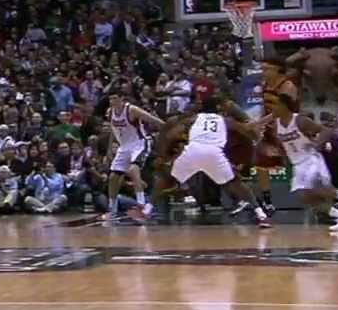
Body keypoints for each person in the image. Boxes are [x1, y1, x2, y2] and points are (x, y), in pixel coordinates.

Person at [153, 96, 272, 228]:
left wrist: (164, 155)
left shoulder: (194, 118)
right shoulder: (225, 120)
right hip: (214, 154)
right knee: (236, 183)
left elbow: (171, 134)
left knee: (166, 178)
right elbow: (245, 129)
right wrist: (257, 137)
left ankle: (146, 209)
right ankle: (261, 215)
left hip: (193, 151)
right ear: (218, 108)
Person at [261, 93, 338, 232]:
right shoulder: (276, 126)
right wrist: (285, 161)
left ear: (284, 105)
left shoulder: (300, 120)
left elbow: (325, 131)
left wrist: (317, 144)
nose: (271, 108)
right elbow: (282, 146)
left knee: (308, 191)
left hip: (310, 159)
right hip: (297, 163)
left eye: (274, 104)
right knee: (306, 198)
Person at [104, 93, 164, 221]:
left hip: (140, 143)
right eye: (110, 98)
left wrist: (169, 128)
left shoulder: (131, 110)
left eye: (114, 98)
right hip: (124, 146)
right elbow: (113, 131)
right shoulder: (110, 112)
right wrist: (109, 149)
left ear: (121, 98)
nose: (112, 101)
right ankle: (112, 209)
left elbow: (152, 120)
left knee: (133, 169)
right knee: (113, 177)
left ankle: (141, 205)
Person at [255, 57, 300, 214]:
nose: (263, 72)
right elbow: (266, 107)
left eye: (267, 69)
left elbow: (281, 111)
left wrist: (258, 123)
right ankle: (267, 201)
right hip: (270, 128)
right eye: (262, 69)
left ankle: (327, 196)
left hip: (289, 128)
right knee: (261, 164)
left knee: (298, 164)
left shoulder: (288, 86)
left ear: (278, 69)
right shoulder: (265, 85)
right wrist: (262, 125)